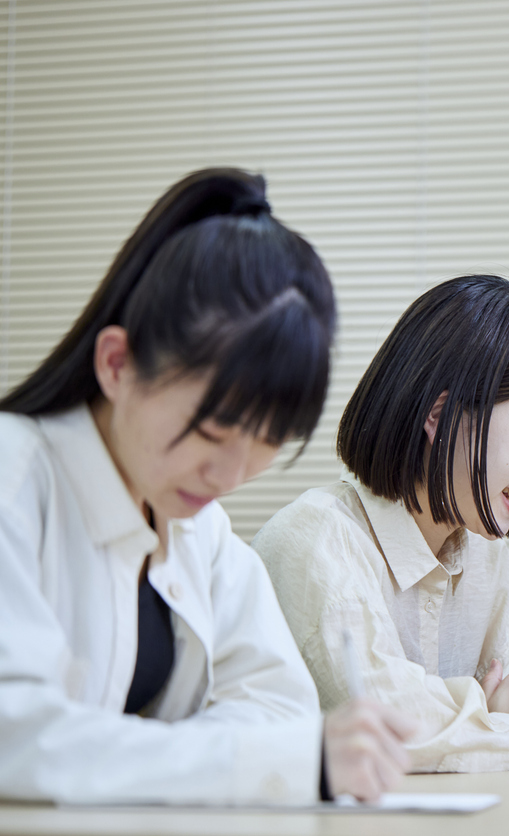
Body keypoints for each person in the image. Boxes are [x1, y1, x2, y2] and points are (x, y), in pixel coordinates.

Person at [0, 168, 416, 806]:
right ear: (116, 364)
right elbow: (19, 739)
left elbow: (280, 711)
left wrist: (178, 760)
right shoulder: (15, 476)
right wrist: (235, 758)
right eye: (214, 428)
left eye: (267, 439)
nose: (230, 475)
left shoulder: (200, 528)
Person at [253, 274, 509, 772]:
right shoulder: (316, 542)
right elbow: (394, 735)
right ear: (441, 415)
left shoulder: (479, 547)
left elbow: (503, 688)